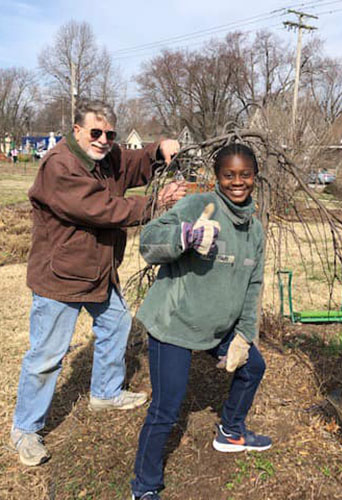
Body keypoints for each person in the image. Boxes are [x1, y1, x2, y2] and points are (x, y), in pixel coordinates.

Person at [10, 99, 187, 467]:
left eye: (110, 133)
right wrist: (156, 204)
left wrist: (159, 149)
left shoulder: (107, 157)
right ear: (76, 130)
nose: (104, 140)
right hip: (60, 276)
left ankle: (105, 392)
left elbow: (135, 162)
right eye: (96, 132)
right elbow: (102, 209)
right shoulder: (60, 166)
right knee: (46, 357)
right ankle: (25, 429)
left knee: (117, 322)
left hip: (98, 272)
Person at [130, 143, 271, 500]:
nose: (237, 182)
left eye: (245, 175)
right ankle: (144, 486)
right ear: (217, 177)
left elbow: (253, 285)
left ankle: (231, 431)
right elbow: (148, 243)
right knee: (167, 406)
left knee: (253, 366)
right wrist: (185, 236)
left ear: (255, 177)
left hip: (217, 328)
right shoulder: (199, 205)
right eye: (229, 175)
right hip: (173, 322)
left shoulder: (254, 230)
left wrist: (244, 334)